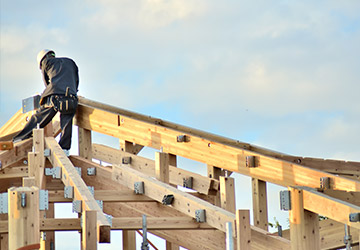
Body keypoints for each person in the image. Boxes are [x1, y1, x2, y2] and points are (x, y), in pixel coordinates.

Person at [13, 49, 79, 154]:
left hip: (55, 96)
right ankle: (65, 149)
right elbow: (76, 81)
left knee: (39, 117)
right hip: (71, 97)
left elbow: (47, 82)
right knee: (66, 121)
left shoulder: (46, 62)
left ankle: (21, 138)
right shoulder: (70, 61)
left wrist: (45, 97)